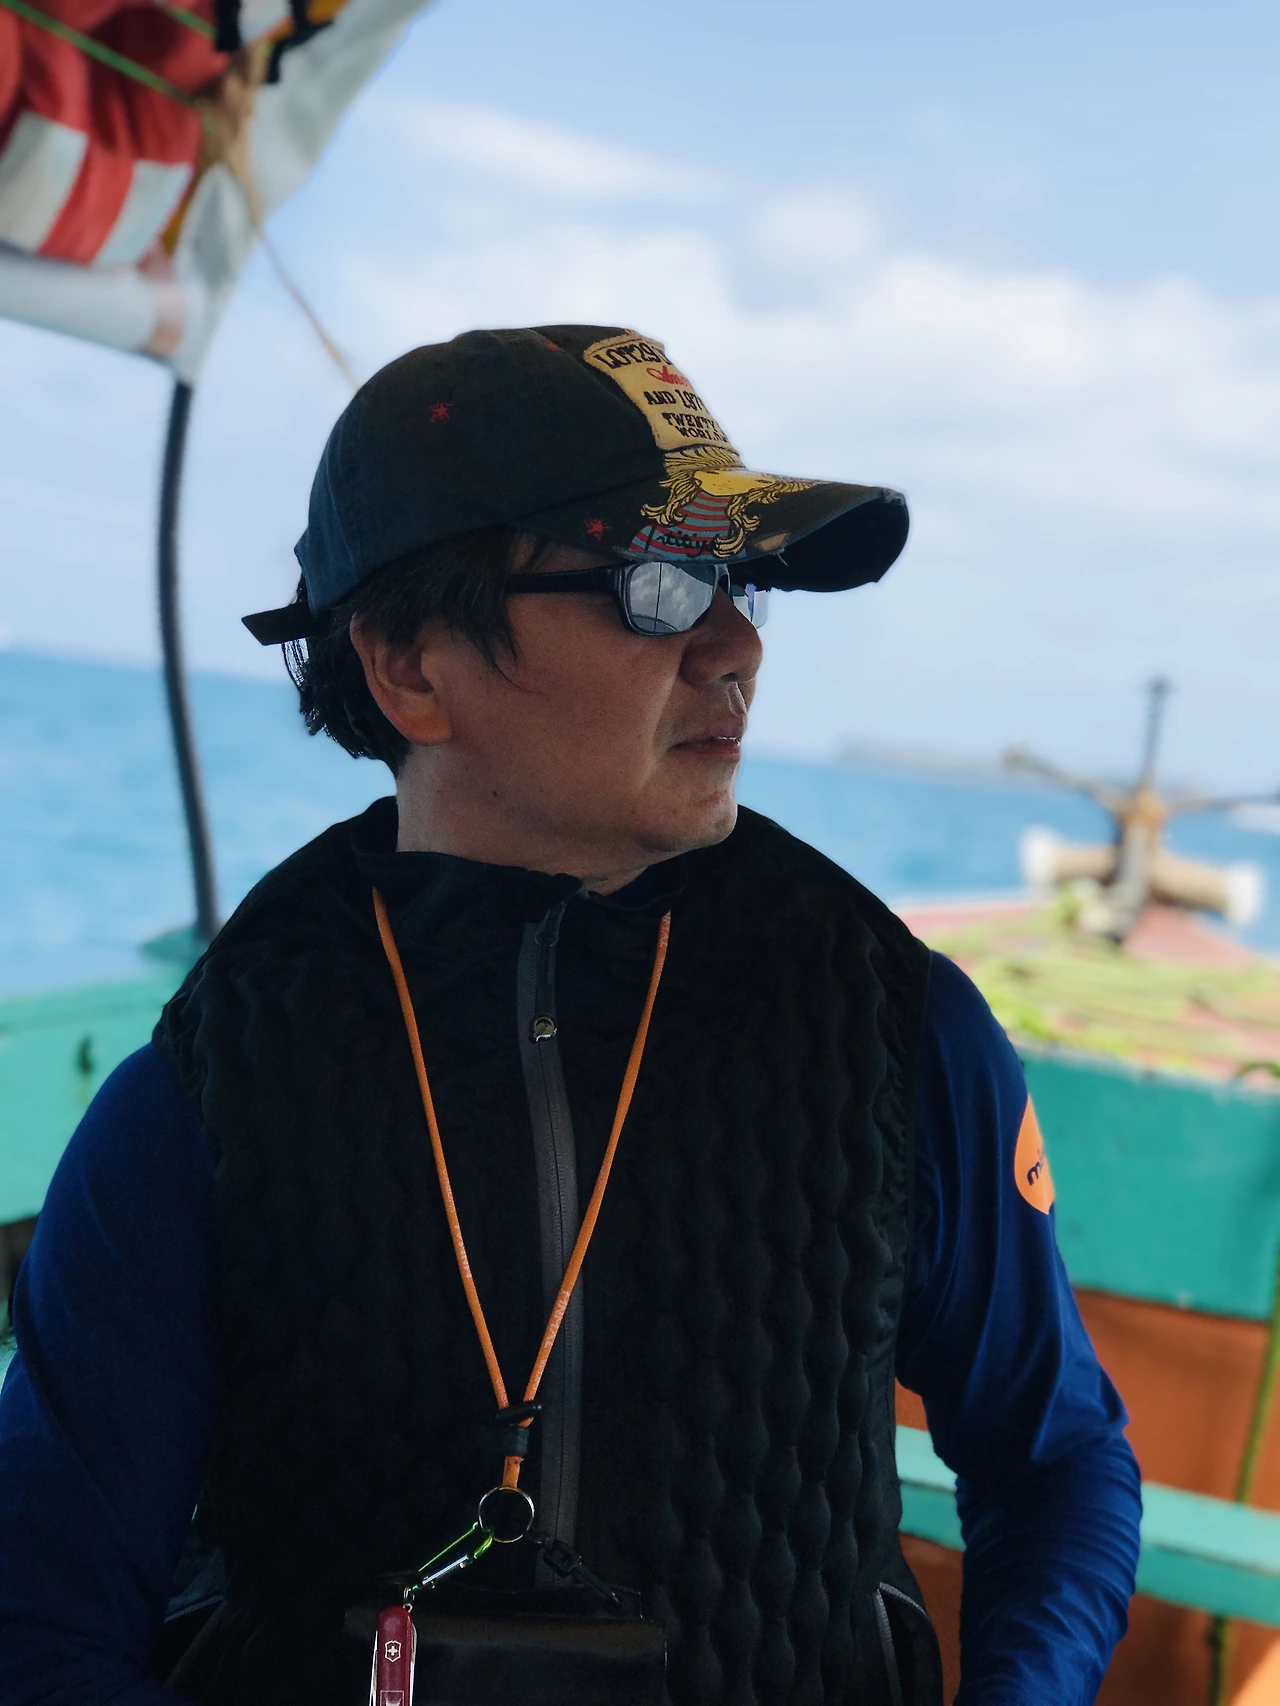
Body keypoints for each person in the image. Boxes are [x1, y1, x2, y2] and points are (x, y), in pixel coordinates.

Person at [0, 325, 1141, 1706]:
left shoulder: (901, 1036)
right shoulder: (210, 1089)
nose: (736, 645)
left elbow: (1056, 1460)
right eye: (659, 585)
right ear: (409, 665)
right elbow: (47, 1614)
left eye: (738, 582)